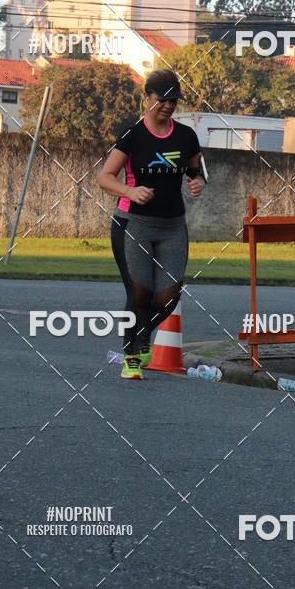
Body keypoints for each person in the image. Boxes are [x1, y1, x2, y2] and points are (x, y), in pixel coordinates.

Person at [98, 69, 206, 380]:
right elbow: (104, 177)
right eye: (163, 99)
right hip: (133, 224)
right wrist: (130, 191)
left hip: (172, 226)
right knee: (140, 294)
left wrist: (197, 182)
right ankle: (132, 357)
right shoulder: (133, 136)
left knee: (168, 297)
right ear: (148, 98)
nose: (169, 105)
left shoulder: (186, 136)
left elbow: (197, 171)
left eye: (174, 100)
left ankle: (142, 333)